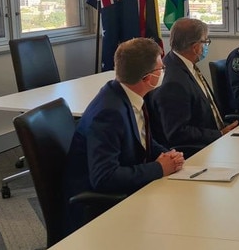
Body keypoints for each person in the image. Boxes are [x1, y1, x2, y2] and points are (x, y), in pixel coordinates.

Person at [63, 38, 184, 232]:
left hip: (127, 188)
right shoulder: (109, 113)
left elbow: (141, 141)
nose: (163, 72)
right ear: (147, 78)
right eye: (161, 68)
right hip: (100, 210)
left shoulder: (125, 94)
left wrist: (169, 155)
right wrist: (159, 168)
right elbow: (104, 177)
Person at [149, 18, 239, 156]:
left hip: (217, 139)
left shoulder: (185, 65)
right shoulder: (174, 80)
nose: (206, 45)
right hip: (198, 152)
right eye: (206, 41)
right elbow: (177, 132)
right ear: (196, 47)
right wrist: (219, 134)